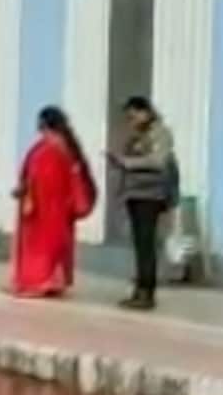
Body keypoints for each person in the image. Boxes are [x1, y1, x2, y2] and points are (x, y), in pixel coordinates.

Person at [10, 106, 98, 299]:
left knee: (41, 245)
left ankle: (40, 281)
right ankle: (53, 280)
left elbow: (41, 178)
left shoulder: (50, 147)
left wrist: (27, 192)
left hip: (46, 206)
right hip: (58, 206)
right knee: (56, 244)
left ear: (43, 123)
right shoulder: (63, 145)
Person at [108, 95, 176, 311]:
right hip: (136, 194)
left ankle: (147, 292)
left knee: (147, 245)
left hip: (151, 196)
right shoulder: (138, 135)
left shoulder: (160, 133)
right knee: (140, 245)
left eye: (134, 115)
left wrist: (128, 162)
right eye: (129, 117)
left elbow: (158, 160)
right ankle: (139, 289)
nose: (132, 120)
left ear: (145, 112)